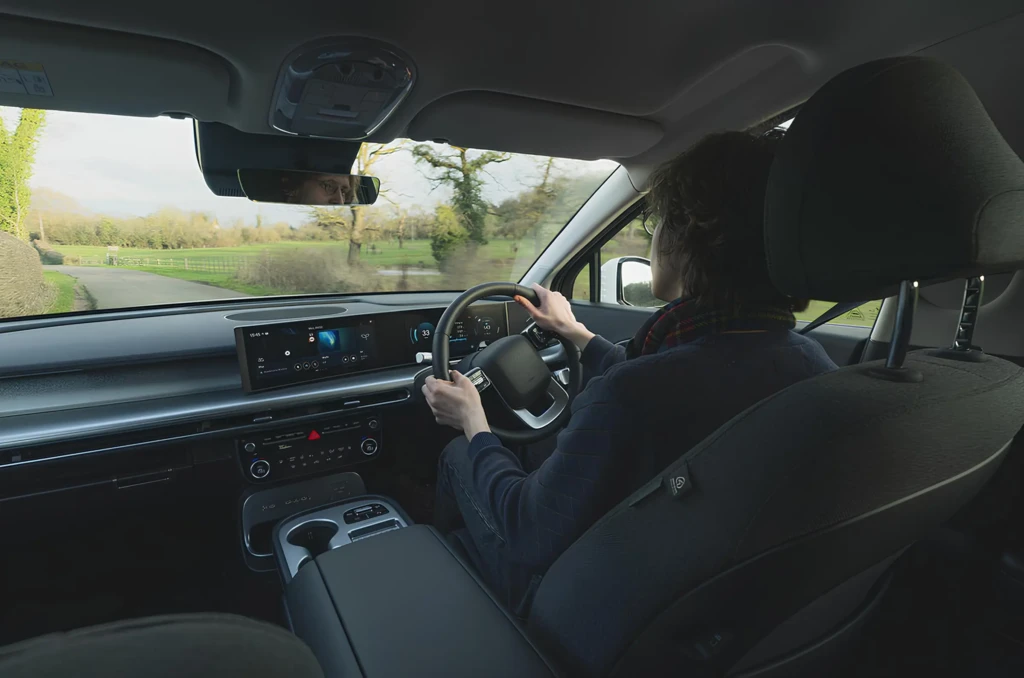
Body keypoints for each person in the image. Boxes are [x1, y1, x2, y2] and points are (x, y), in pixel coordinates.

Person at [422, 131, 838, 614]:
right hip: (709, 598)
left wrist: (473, 420)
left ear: (687, 238)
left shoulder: (634, 394)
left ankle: (452, 579)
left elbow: (526, 530)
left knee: (458, 455)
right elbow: (676, 379)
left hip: (578, 606)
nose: (655, 234)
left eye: (658, 221)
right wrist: (577, 334)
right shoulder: (810, 362)